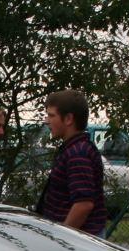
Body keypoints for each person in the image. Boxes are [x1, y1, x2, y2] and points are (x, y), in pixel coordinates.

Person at [37, 90, 105, 235]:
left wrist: (63, 236)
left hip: (80, 242)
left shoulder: (77, 153)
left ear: (68, 119)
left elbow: (84, 203)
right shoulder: (77, 149)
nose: (46, 120)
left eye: (52, 115)